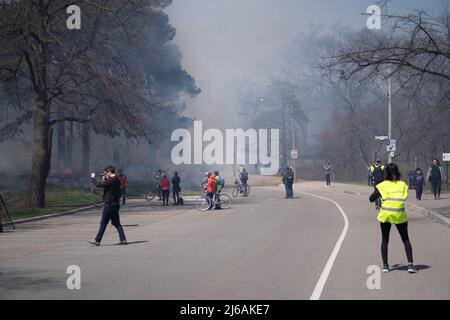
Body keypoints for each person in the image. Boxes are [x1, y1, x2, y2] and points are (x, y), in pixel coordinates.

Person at [369, 163, 417, 274]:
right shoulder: (403, 185)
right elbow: (404, 196)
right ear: (397, 172)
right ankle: (410, 265)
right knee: (405, 239)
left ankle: (385, 265)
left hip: (386, 215)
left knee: (385, 240)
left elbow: (371, 199)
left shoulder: (383, 185)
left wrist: (379, 194)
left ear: (386, 173)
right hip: (400, 215)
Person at [88, 166, 127, 246]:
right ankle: (123, 239)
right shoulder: (116, 179)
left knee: (103, 223)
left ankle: (97, 240)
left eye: (106, 172)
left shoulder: (111, 180)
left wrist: (93, 178)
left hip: (109, 205)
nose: (105, 174)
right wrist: (105, 178)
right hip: (116, 204)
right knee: (116, 223)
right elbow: (105, 185)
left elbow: (99, 184)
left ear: (109, 172)